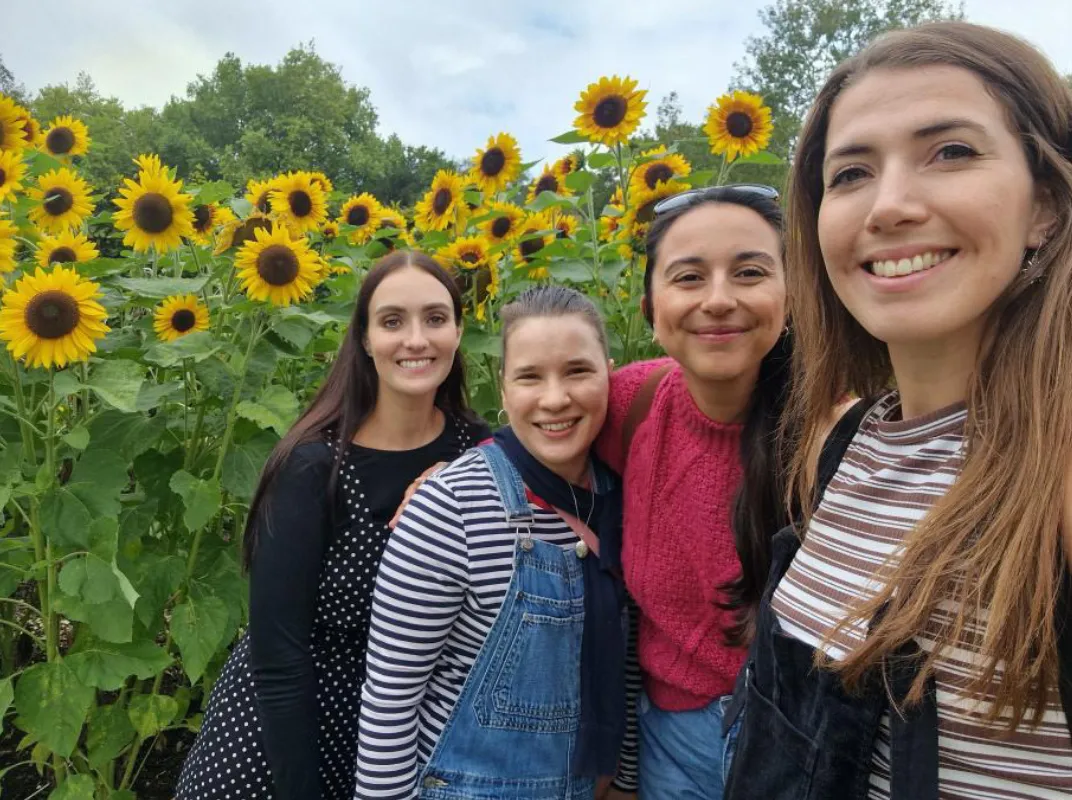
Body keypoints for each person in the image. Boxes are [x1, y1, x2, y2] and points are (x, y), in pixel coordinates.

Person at [725, 21, 1072, 799]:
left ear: (1045, 204)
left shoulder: (1058, 472)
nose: (888, 206)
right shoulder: (847, 442)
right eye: (850, 174)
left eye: (950, 152)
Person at [175, 251, 490, 800]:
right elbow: (278, 654)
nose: (417, 339)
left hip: (409, 730)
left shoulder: (477, 449)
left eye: (436, 318)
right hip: (291, 730)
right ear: (365, 339)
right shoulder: (313, 466)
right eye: (392, 321)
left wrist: (446, 492)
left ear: (458, 330)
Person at [355, 286, 637, 799]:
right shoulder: (451, 508)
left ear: (610, 375)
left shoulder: (621, 497)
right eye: (530, 376)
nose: (555, 398)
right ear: (504, 391)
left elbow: (631, 665)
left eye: (578, 371)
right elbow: (389, 704)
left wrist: (626, 780)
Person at [593, 184, 791, 799]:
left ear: (793, 294)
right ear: (651, 309)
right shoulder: (630, 403)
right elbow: (527, 437)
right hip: (672, 740)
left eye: (750, 271)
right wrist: (446, 475)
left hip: (795, 739)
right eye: (688, 277)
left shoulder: (835, 429)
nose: (719, 299)